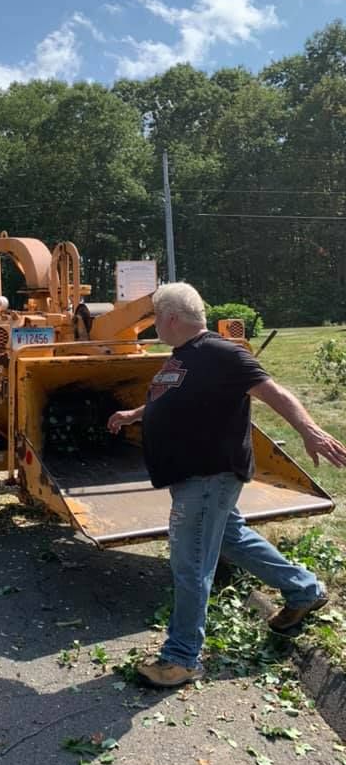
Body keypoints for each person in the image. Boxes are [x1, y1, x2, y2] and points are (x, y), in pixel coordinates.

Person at [107, 282, 346, 689]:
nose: (153, 329)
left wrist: (310, 431)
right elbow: (175, 398)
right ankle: (304, 590)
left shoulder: (222, 353)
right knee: (233, 538)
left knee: (190, 567)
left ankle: (181, 658)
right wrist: (136, 413)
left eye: (154, 321)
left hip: (207, 477)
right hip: (195, 479)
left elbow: (275, 393)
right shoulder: (184, 357)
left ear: (169, 318)